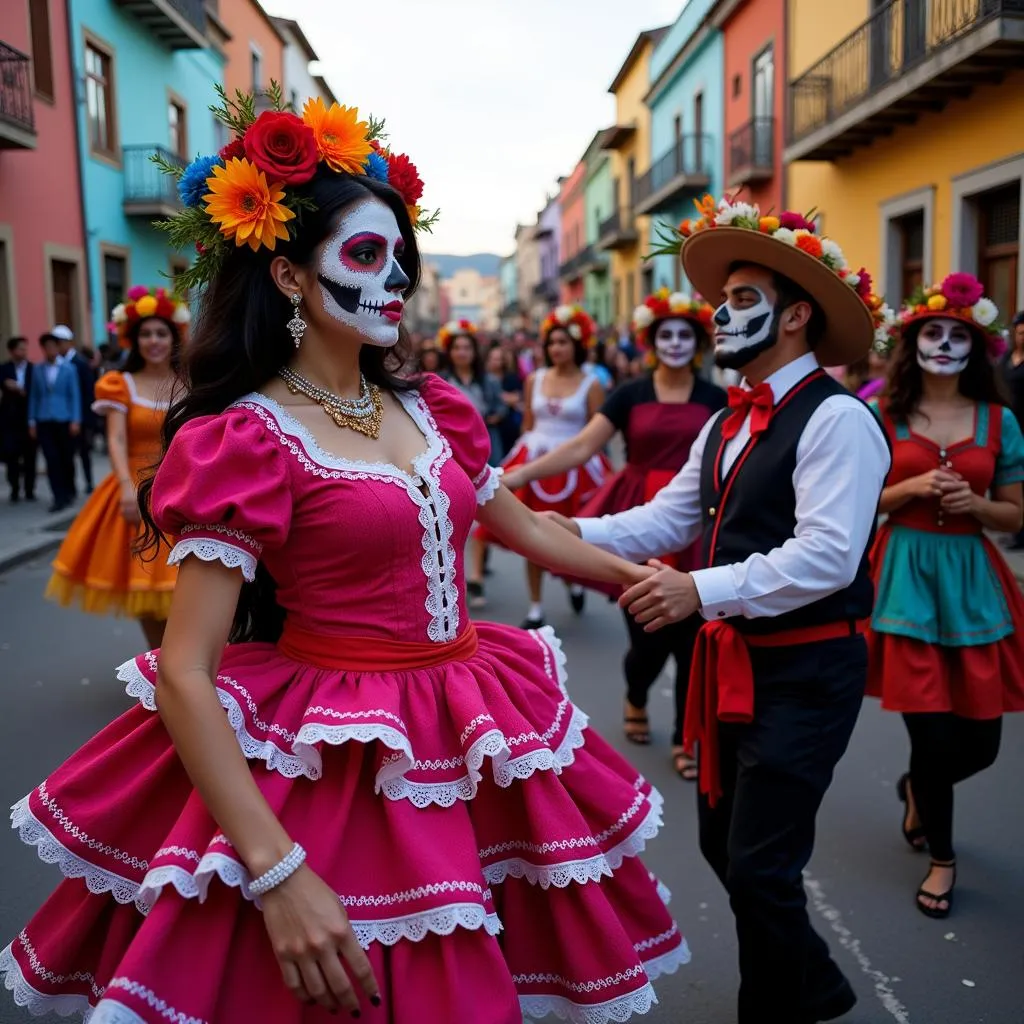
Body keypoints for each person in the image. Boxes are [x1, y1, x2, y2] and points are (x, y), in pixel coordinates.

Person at [0, 88, 686, 1024]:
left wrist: (659, 580)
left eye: (401, 256)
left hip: (467, 722)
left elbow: (521, 527)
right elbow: (187, 673)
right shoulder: (248, 436)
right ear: (287, 276)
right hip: (335, 756)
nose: (395, 278)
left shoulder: (428, 403)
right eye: (366, 254)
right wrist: (277, 874)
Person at [550, 197, 891, 1023]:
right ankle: (815, 987)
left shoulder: (840, 420)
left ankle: (776, 1009)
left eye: (742, 300)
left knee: (761, 864)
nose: (720, 314)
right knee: (723, 844)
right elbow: (666, 517)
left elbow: (826, 558)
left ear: (797, 314)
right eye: (723, 300)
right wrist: (554, 529)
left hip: (809, 668)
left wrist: (696, 589)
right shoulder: (725, 423)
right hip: (737, 662)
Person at [505, 291, 726, 780]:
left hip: (697, 523)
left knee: (694, 636)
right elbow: (583, 446)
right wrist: (518, 477)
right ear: (651, 341)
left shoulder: (717, 399)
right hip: (642, 517)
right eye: (665, 334)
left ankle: (685, 737)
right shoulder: (631, 394)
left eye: (684, 334)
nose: (674, 342)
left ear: (696, 343)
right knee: (647, 635)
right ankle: (637, 692)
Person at [865, 274, 1024, 920]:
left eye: (958, 334)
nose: (944, 343)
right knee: (931, 734)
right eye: (933, 331)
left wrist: (975, 503)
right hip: (902, 576)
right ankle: (942, 859)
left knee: (980, 744)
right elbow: (856, 505)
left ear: (976, 346)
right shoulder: (883, 414)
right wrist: (910, 490)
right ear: (913, 341)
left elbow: (1014, 516)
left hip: (973, 581)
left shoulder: (1001, 420)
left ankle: (918, 790)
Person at [44, 288, 186, 648]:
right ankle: (158, 662)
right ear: (134, 340)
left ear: (174, 337)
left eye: (161, 333)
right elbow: (117, 439)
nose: (153, 341)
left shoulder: (190, 383)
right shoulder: (119, 384)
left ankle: (183, 661)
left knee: (186, 582)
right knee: (143, 582)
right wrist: (125, 487)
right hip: (138, 490)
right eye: (146, 334)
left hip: (184, 488)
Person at [481, 306, 608, 628]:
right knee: (529, 532)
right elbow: (528, 423)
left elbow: (596, 431)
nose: (557, 348)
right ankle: (535, 606)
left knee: (567, 533)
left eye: (563, 342)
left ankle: (572, 580)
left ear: (577, 345)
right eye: (552, 343)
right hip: (533, 458)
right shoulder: (534, 379)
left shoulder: (591, 383)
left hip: (573, 464)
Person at [27, 332, 81, 513]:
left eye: (53, 346)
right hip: (44, 420)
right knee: (51, 459)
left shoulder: (69, 369)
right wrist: (32, 420)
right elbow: (34, 396)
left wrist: (75, 419)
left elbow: (74, 395)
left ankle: (69, 490)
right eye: (46, 347)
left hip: (64, 419)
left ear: (58, 348)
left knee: (66, 457)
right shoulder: (37, 369)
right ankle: (58, 496)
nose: (50, 350)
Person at [53, 324, 98, 495]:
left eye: (60, 342)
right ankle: (69, 486)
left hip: (82, 416)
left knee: (84, 451)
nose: (58, 347)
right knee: (67, 453)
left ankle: (88, 481)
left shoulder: (80, 363)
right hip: (64, 416)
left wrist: (84, 419)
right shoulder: (58, 364)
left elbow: (88, 391)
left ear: (67, 343)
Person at [998, 310, 1024, 548]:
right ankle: (1016, 534)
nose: (1022, 338)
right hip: (1008, 424)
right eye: (1019, 333)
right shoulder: (1006, 359)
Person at [0, 337, 36, 503]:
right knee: (11, 455)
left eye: (25, 349)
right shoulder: (4, 369)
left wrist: (23, 390)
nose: (24, 352)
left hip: (28, 417)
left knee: (30, 455)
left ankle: (29, 489)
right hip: (9, 419)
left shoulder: (33, 369)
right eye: (20, 349)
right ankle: (14, 488)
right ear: (12, 351)